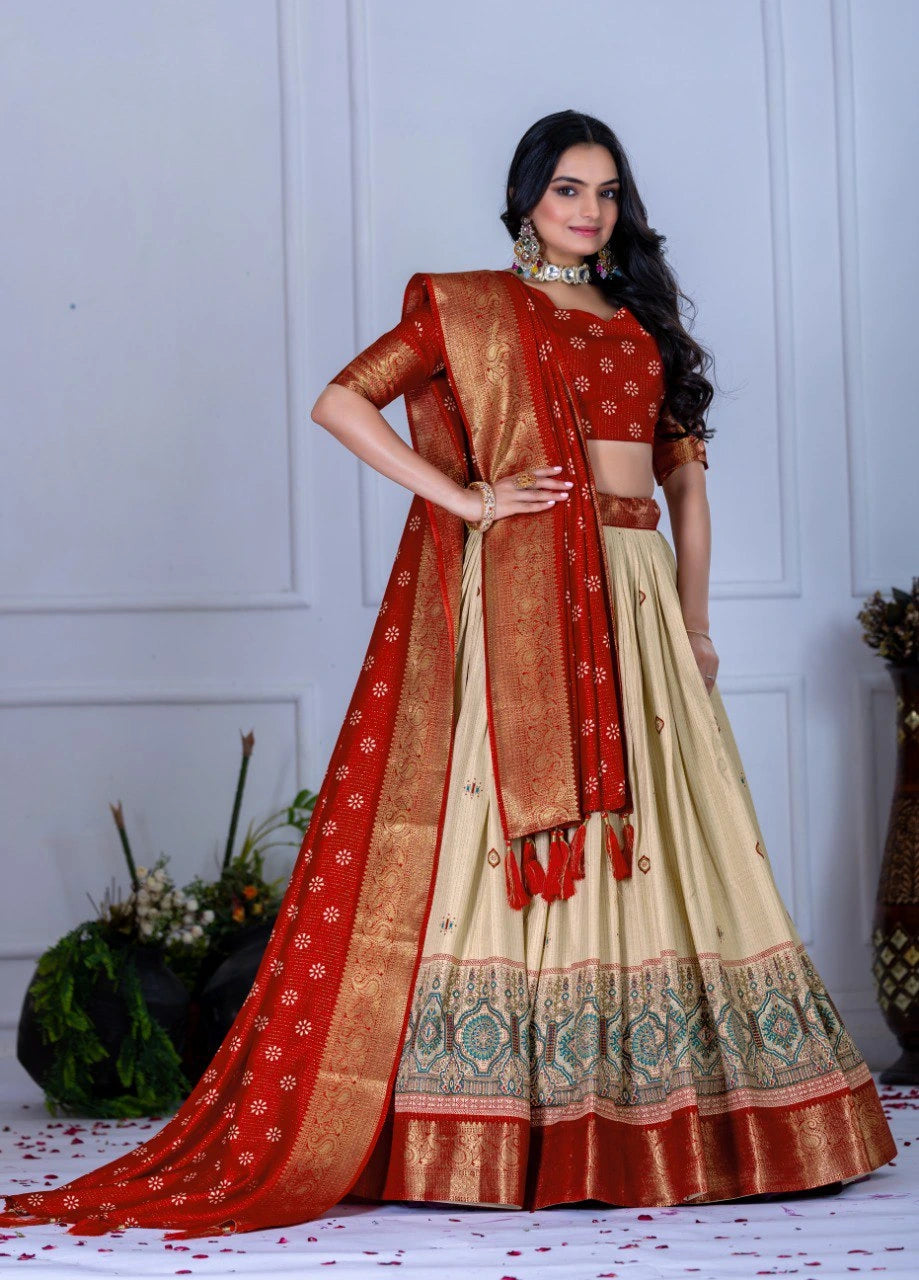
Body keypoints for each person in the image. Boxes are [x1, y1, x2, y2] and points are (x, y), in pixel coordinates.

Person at [0, 109, 896, 1239]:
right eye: (568, 189)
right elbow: (341, 401)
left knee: (667, 830)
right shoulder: (469, 310)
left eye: (606, 192)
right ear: (525, 198)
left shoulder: (640, 320)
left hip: (637, 596)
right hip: (528, 597)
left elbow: (686, 485)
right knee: (510, 829)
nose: (589, 210)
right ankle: (496, 1120)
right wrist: (469, 500)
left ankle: (671, 1114)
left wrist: (696, 619)